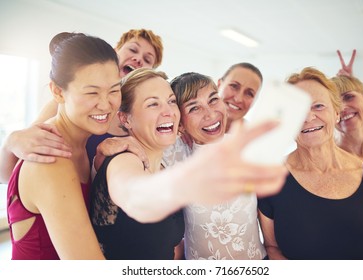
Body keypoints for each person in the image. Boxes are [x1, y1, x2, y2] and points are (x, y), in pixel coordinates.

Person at [89, 68, 288, 260]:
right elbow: (134, 195)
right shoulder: (128, 157)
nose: (168, 111)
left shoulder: (164, 157)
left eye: (171, 102)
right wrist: (188, 182)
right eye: (153, 104)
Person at [7, 32, 122, 259]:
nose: (105, 104)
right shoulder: (50, 159)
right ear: (58, 91)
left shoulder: (85, 143)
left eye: (114, 91)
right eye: (91, 92)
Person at [258, 67, 363, 260]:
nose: (308, 117)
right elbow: (272, 247)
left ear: (337, 113)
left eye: (318, 106)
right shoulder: (269, 181)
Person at [0, 28, 163, 183]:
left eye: (147, 59)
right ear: (115, 51)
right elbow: (11, 173)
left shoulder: (140, 116)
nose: (138, 59)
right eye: (133, 50)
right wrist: (11, 142)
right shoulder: (64, 103)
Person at [167, 72, 267, 260]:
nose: (211, 113)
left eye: (213, 100)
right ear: (180, 123)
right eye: (194, 108)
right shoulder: (174, 154)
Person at [217, 63, 263, 132]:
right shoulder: (195, 128)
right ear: (219, 85)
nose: (238, 99)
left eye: (249, 94)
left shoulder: (257, 139)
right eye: (234, 86)